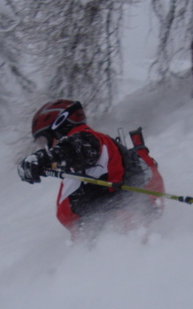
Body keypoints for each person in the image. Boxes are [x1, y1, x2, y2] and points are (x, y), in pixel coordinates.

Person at [18, 99, 164, 240]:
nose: (47, 147)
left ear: (59, 126)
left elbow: (78, 149)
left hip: (122, 226)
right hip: (106, 233)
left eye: (44, 141)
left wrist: (46, 159)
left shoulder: (89, 140)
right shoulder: (75, 167)